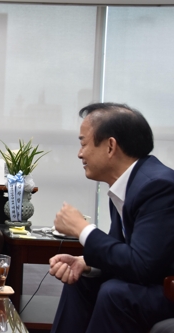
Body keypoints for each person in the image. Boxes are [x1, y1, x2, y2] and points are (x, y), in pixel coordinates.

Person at [48, 102, 174, 332]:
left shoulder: (158, 186)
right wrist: (86, 264)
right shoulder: (125, 185)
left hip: (168, 289)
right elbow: (123, 251)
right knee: (79, 279)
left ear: (110, 146)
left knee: (114, 293)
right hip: (153, 282)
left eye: (83, 143)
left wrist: (83, 229)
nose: (79, 153)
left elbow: (143, 265)